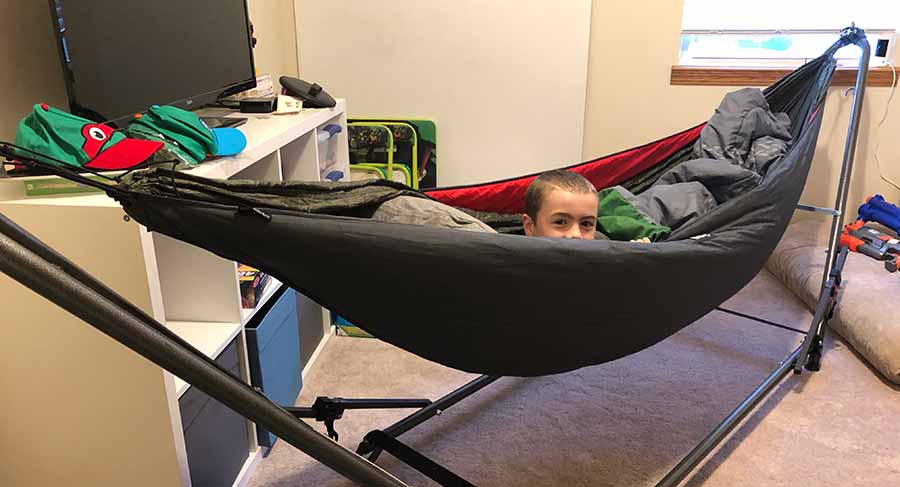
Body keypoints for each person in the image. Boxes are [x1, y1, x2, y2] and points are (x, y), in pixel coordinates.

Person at [522, 169, 600, 239]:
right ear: (529, 226)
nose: (576, 234)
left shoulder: (608, 252)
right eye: (560, 222)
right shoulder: (511, 252)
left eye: (586, 224)